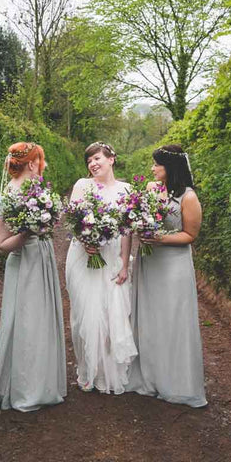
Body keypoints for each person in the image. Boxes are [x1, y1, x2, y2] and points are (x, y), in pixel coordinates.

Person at [0, 142, 67, 412]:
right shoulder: (10, 194)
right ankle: (26, 389)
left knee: (42, 321)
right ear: (32, 164)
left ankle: (44, 384)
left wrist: (45, 223)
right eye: (41, 161)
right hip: (24, 266)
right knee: (27, 324)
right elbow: (1, 244)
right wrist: (29, 231)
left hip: (41, 261)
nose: (43, 166)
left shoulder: (37, 190)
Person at [126, 144, 207, 408]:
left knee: (172, 320)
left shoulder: (188, 197)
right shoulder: (151, 189)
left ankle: (176, 381)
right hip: (149, 262)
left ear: (169, 167)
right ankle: (150, 376)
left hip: (173, 266)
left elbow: (190, 235)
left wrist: (161, 238)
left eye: (156, 165)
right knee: (150, 318)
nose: (152, 169)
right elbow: (137, 218)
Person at [66, 141, 137, 394]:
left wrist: (125, 264)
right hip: (84, 256)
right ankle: (87, 371)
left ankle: (108, 373)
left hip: (112, 256)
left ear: (111, 159)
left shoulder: (126, 189)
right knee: (85, 315)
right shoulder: (82, 185)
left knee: (111, 313)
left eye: (97, 158)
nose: (93, 164)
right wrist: (86, 242)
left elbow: (127, 230)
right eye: (89, 160)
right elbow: (74, 222)